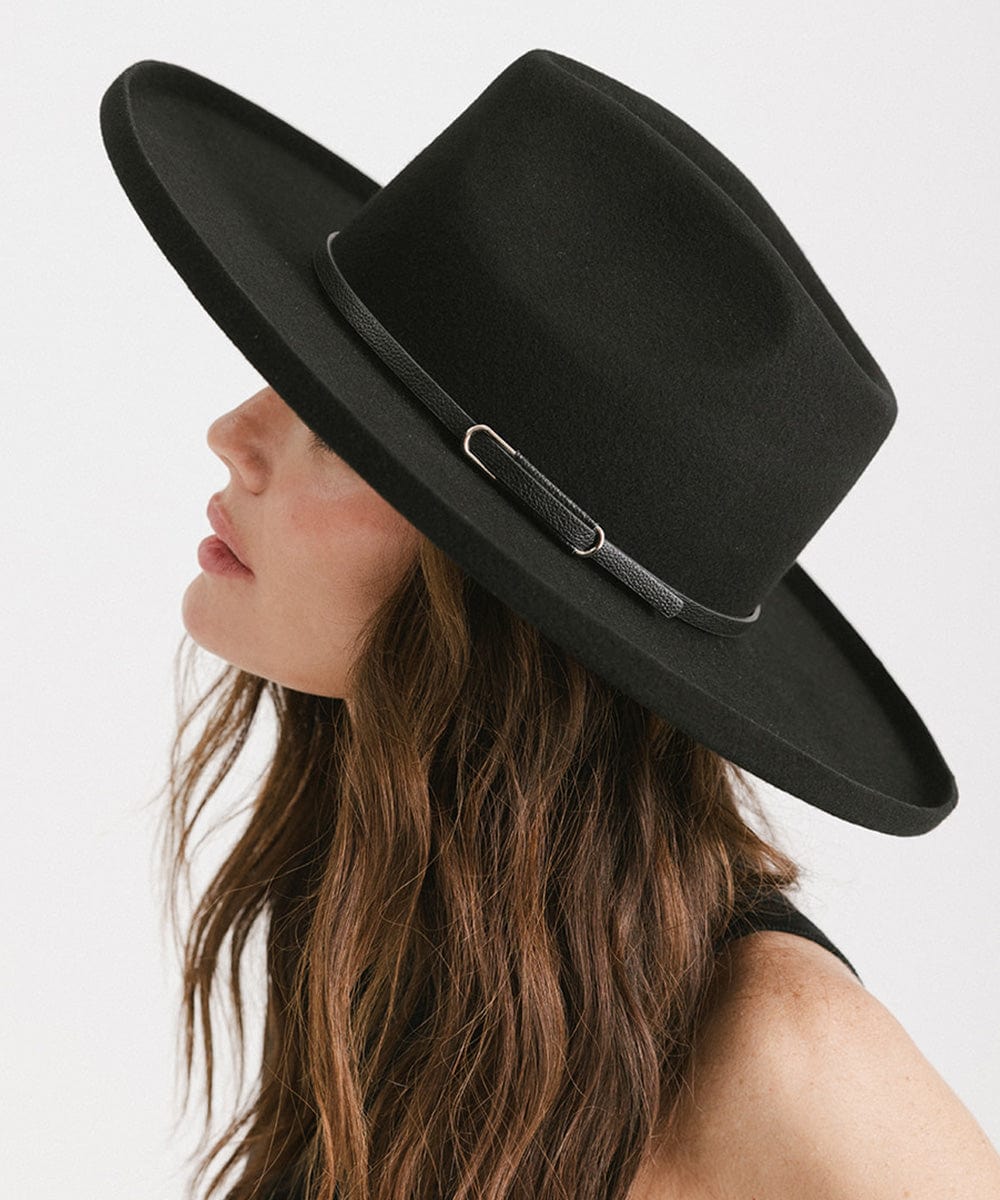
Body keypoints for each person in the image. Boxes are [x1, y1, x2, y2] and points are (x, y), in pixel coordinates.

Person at [100, 48, 1000, 1200]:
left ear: (506, 584)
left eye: (338, 426)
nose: (235, 431)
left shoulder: (778, 1049)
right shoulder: (406, 933)